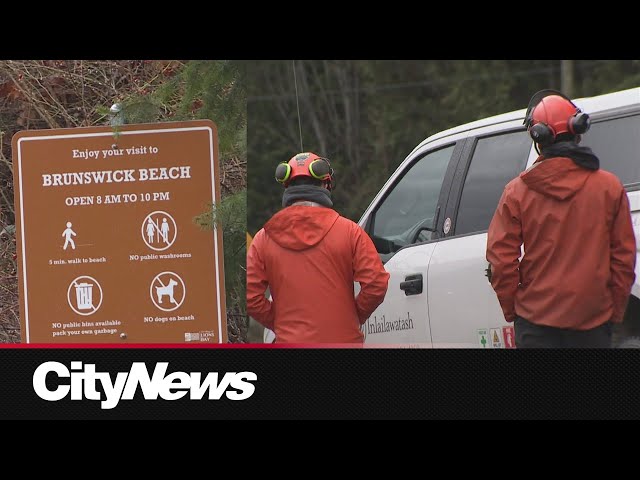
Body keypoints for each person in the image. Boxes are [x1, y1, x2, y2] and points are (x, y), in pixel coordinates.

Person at [486, 90, 636, 348]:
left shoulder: (517, 193)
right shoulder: (609, 188)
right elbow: (623, 259)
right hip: (593, 322)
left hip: (535, 323)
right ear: (577, 131)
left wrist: (515, 311)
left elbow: (501, 262)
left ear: (538, 138)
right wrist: (614, 313)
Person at [247, 152, 390, 344]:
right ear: (325, 185)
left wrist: (281, 322)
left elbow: (251, 297)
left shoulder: (263, 239)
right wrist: (353, 316)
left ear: (286, 187)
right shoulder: (350, 232)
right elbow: (376, 284)